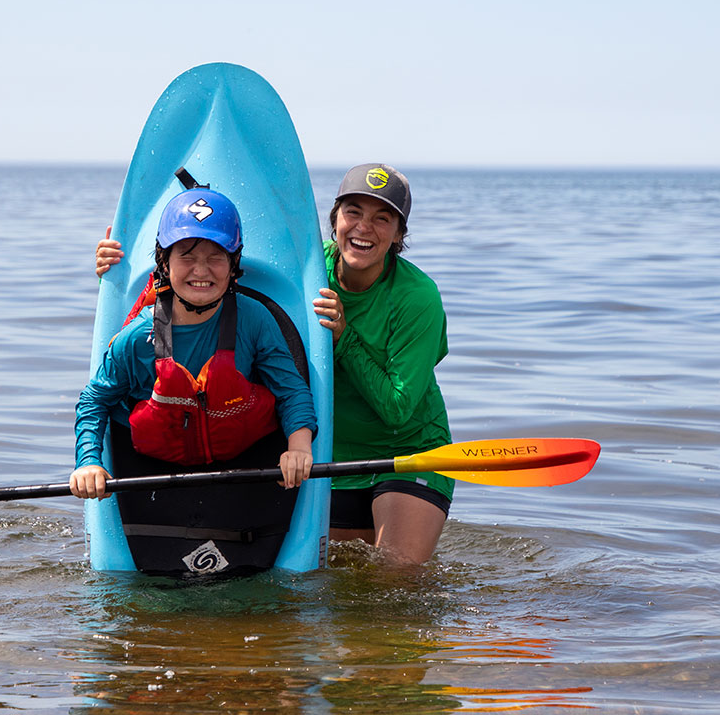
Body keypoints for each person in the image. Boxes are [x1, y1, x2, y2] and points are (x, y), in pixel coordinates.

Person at [94, 165, 452, 565]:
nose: (363, 228)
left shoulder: (417, 298)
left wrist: (344, 339)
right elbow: (207, 263)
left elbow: (397, 411)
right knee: (330, 585)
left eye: (382, 218)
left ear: (400, 234)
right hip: (328, 455)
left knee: (394, 573)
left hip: (403, 454)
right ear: (334, 219)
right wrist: (118, 270)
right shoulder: (304, 272)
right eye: (353, 212)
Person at [72, 187, 316, 501]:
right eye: (187, 256)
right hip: (153, 470)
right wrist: (89, 462)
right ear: (164, 262)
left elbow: (291, 389)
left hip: (245, 464)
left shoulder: (255, 320)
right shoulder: (138, 337)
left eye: (216, 257)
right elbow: (95, 401)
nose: (201, 270)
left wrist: (298, 448)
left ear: (233, 264)